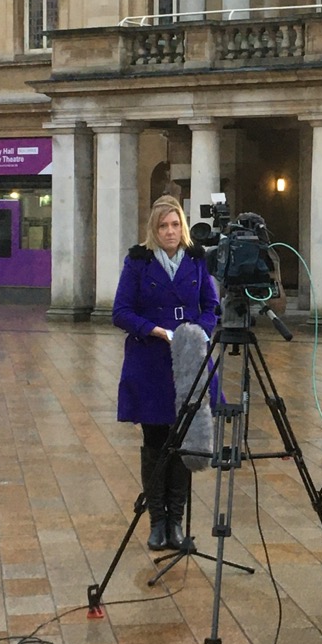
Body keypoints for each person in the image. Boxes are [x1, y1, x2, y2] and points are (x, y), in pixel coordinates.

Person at [113, 196, 220, 551]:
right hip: (151, 362)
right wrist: (154, 330)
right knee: (156, 443)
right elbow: (121, 311)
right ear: (154, 230)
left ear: (183, 227)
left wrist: (200, 330)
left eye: (175, 224)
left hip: (188, 359)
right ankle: (157, 521)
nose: (170, 232)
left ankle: (177, 520)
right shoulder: (138, 262)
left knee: (183, 442)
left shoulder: (196, 259)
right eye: (163, 226)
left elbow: (212, 306)